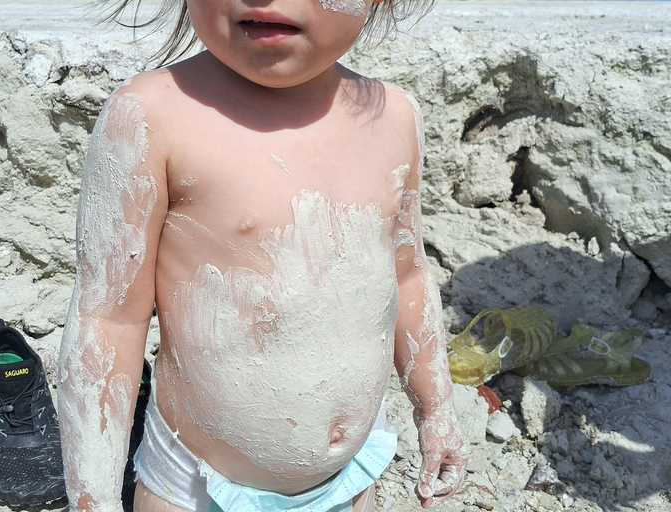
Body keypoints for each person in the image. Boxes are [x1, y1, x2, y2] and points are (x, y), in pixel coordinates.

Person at [58, 0, 469, 511]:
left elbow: (406, 276)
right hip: (195, 489)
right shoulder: (152, 116)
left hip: (349, 478)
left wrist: (436, 410)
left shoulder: (394, 116)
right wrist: (92, 497)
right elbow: (109, 319)